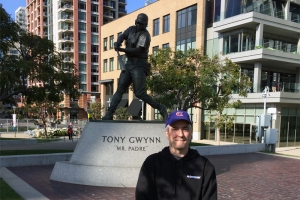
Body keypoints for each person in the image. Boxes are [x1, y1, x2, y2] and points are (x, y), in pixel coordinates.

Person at [135, 110, 217, 200]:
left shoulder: (205, 167)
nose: (181, 134)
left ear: (191, 133)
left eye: (185, 129)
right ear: (167, 133)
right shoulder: (152, 163)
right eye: (175, 129)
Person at [102, 13, 168, 120]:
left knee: (139, 93)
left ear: (145, 24)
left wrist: (122, 50)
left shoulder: (145, 35)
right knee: (120, 89)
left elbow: (138, 51)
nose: (138, 25)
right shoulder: (131, 29)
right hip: (129, 64)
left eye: (141, 24)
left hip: (140, 65)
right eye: (137, 23)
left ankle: (160, 107)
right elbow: (122, 36)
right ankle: (109, 113)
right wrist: (117, 43)